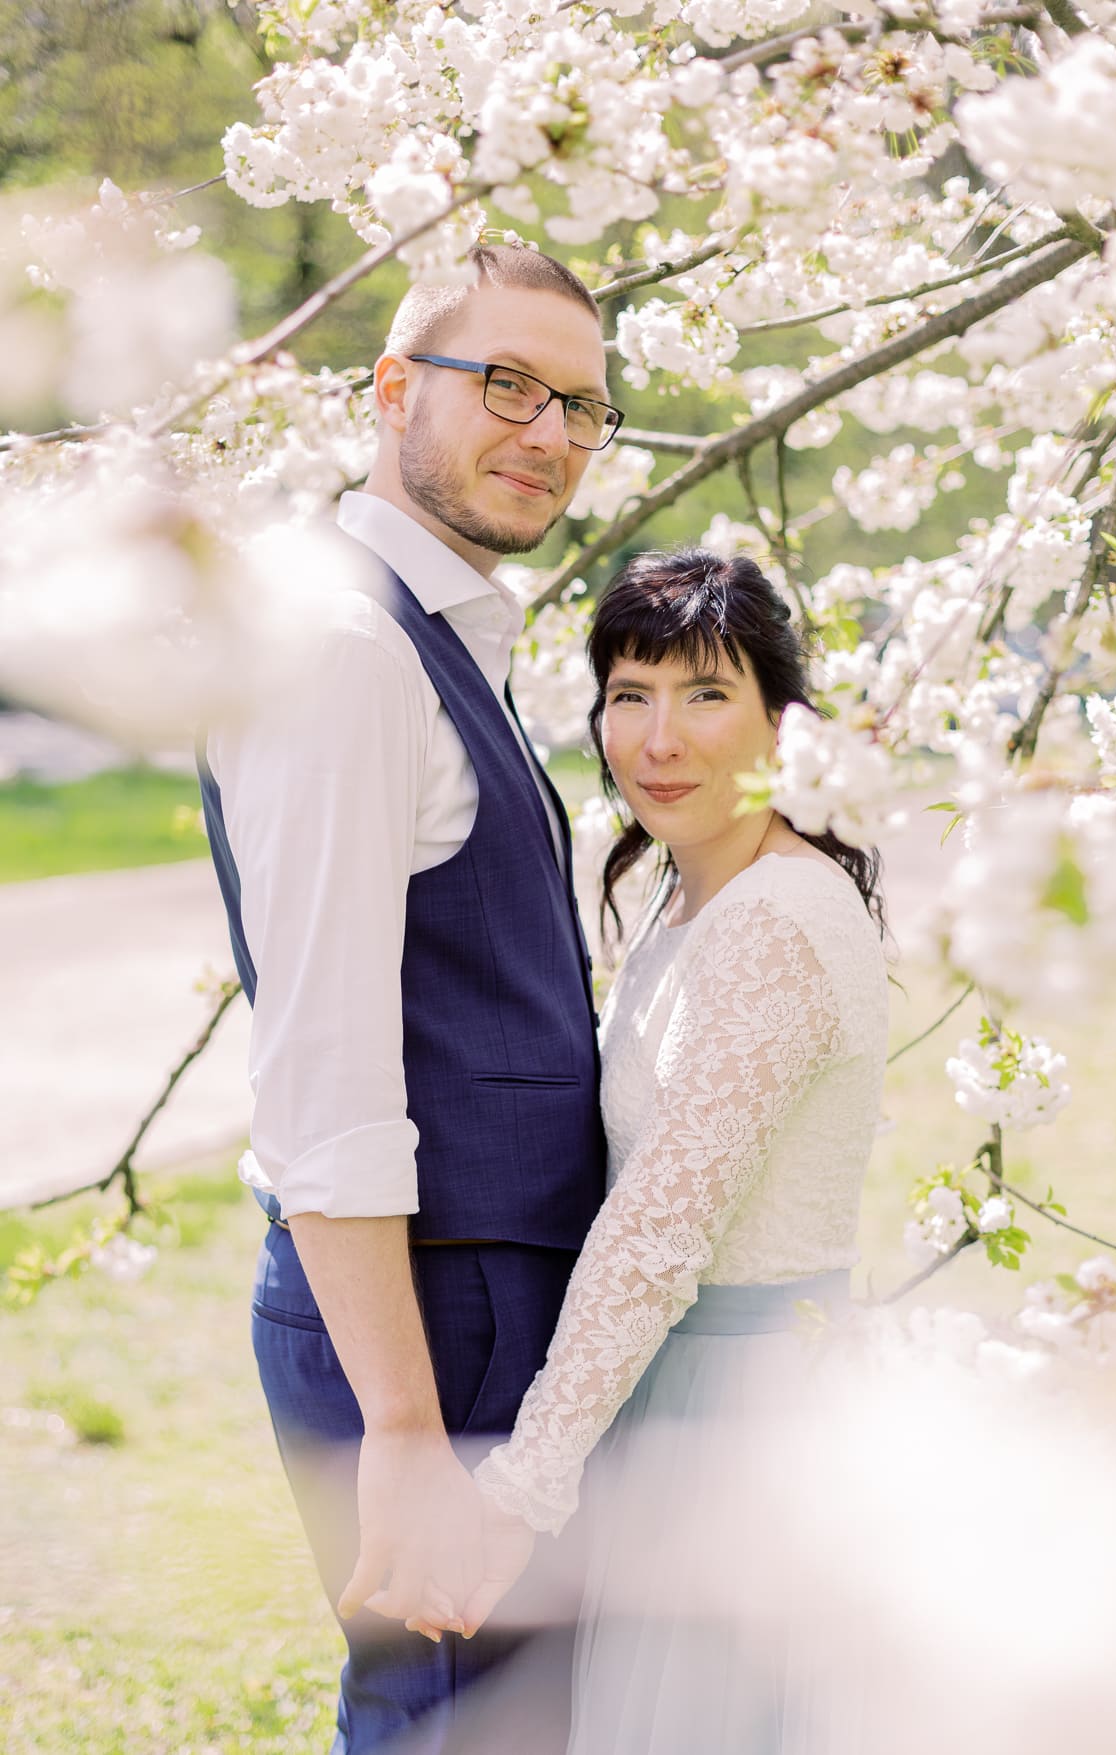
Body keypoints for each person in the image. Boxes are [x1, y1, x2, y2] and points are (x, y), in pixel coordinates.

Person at [196, 243, 620, 1753]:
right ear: (391, 390)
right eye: (505, 382)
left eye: (581, 403)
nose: (550, 433)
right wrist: (401, 1429)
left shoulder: (424, 630)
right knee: (457, 1719)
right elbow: (322, 1066)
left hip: (477, 1288)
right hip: (431, 1306)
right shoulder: (342, 646)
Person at [399, 548, 890, 1751]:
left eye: (705, 694)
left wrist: (519, 1489)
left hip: (746, 1416)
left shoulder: (780, 919)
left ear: (781, 719)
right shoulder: (690, 899)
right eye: (631, 694)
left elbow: (662, 1225)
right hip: (676, 1401)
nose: (659, 738)